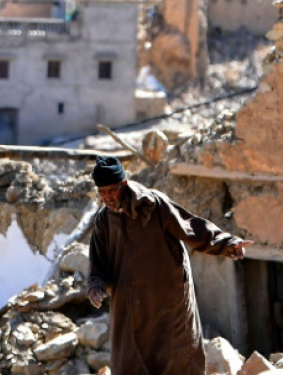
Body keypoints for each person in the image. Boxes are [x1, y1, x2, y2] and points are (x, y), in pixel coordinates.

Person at [87, 155, 253, 375]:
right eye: (102, 192)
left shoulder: (152, 205)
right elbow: (98, 263)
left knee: (176, 359)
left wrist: (227, 244)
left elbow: (190, 226)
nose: (107, 197)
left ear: (124, 185)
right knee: (130, 362)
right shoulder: (103, 221)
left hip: (168, 300)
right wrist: (96, 286)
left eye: (112, 190)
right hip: (130, 307)